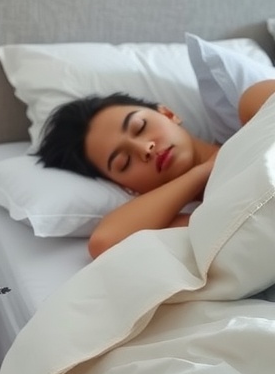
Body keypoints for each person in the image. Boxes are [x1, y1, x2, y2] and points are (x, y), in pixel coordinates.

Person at [36, 80, 275, 260]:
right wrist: (206, 169)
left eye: (140, 127)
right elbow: (105, 241)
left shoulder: (253, 106)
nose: (145, 148)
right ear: (126, 187)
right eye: (123, 162)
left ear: (168, 113)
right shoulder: (196, 220)